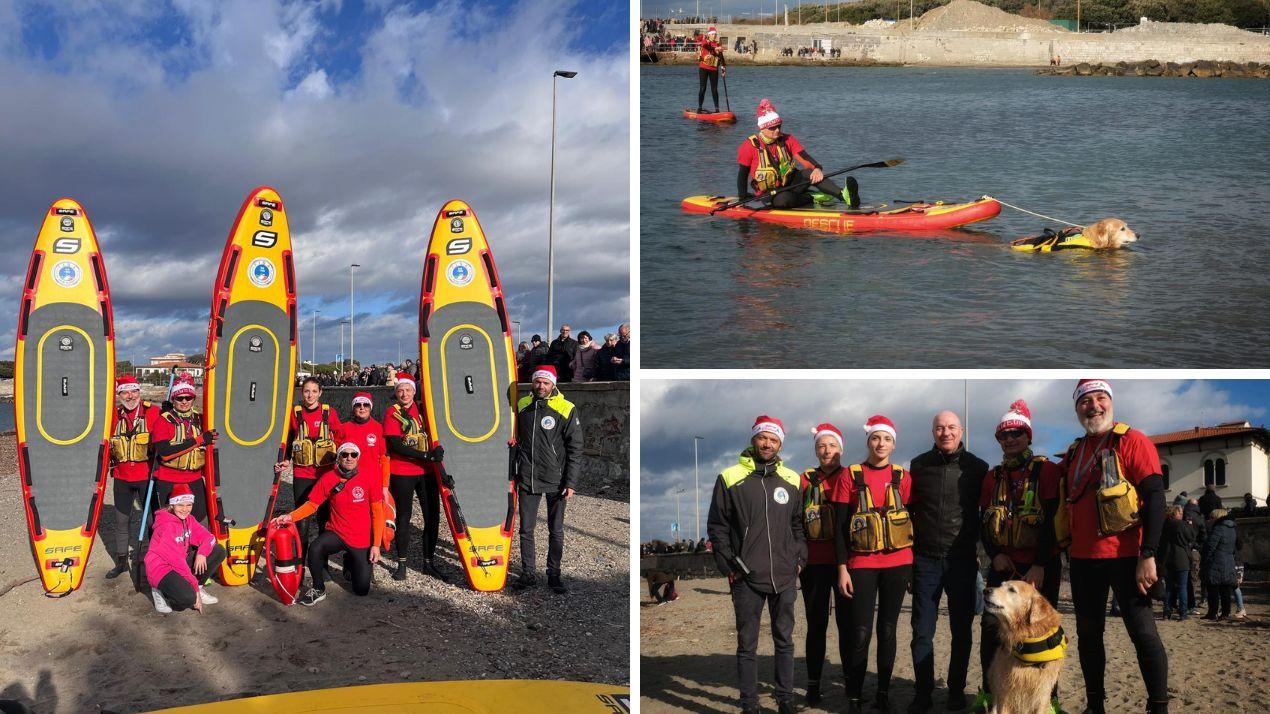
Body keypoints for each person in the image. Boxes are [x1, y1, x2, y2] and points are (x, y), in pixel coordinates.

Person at [1059, 380, 1168, 714]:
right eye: (1085, 401)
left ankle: (1158, 707)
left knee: (1143, 634)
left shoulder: (1132, 440)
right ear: (1077, 409)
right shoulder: (1074, 451)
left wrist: (1148, 554)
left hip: (1126, 556)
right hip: (1083, 560)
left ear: (1111, 401)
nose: (1093, 406)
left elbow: (1155, 497)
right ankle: (1095, 706)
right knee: (1089, 636)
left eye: (1100, 398)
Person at [708, 415, 805, 714]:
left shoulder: (792, 479)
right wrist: (731, 567)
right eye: (763, 437)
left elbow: (798, 525)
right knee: (747, 644)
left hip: (785, 577)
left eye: (774, 440)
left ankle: (785, 700)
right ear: (754, 439)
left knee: (784, 640)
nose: (768, 443)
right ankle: (749, 704)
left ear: (780, 445)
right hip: (746, 577)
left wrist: (799, 559)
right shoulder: (729, 477)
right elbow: (718, 526)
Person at [976, 400, 1063, 713]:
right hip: (1004, 563)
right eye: (1004, 435)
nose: (1010, 439)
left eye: (1016, 433)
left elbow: (1053, 519)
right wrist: (995, 554)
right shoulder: (992, 477)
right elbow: (984, 521)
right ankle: (990, 694)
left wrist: (1040, 564)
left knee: (1044, 633)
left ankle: (1049, 700)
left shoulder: (1047, 471)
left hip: (1041, 564)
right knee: (992, 634)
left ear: (1028, 436)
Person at [906, 410, 988, 712]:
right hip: (925, 560)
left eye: (952, 427)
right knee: (922, 632)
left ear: (961, 430)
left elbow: (984, 516)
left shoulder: (978, 468)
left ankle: (956, 690)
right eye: (940, 428)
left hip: (962, 560)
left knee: (962, 632)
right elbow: (909, 513)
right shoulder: (918, 466)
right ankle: (923, 693)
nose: (946, 433)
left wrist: (979, 555)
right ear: (933, 432)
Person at [831, 415, 914, 714]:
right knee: (861, 632)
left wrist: (913, 570)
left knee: (888, 630)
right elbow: (841, 527)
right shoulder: (850, 476)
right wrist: (842, 568)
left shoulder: (903, 477)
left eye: (887, 439)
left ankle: (883, 693)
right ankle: (854, 696)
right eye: (876, 438)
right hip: (861, 563)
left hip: (898, 563)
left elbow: (912, 521)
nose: (881, 444)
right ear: (868, 441)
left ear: (894, 444)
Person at [273, 442, 384, 605]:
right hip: (337, 532)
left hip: (360, 538)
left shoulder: (369, 477)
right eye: (344, 454)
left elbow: (377, 512)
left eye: (353, 455)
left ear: (358, 458)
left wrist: (376, 545)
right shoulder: (328, 478)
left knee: (361, 590)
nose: (349, 458)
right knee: (315, 548)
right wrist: (290, 517)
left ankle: (351, 560)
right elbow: (312, 505)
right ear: (338, 458)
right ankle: (318, 588)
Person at [512, 365, 582, 594]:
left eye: (546, 382)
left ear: (553, 384)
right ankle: (528, 573)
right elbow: (514, 437)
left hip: (556, 480)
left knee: (556, 530)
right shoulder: (522, 405)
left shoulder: (566, 408)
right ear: (532, 383)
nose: (541, 386)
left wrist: (570, 482)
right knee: (526, 529)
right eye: (537, 381)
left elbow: (575, 448)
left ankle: (554, 574)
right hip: (528, 477)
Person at [799, 423, 848, 706]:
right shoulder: (805, 480)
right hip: (814, 564)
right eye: (821, 446)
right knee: (816, 625)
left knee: (847, 625)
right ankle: (813, 685)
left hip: (845, 565)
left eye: (832, 445)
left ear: (841, 448)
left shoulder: (852, 477)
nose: (827, 451)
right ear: (816, 450)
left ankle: (850, 683)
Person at [736, 98, 859, 210]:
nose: (777, 130)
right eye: (772, 128)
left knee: (809, 173)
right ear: (762, 128)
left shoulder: (787, 139)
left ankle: (844, 196)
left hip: (792, 183)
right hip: (769, 193)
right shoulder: (749, 146)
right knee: (783, 201)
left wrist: (817, 168)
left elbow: (804, 156)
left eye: (779, 126)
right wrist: (742, 198)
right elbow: (742, 175)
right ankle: (811, 197)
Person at [382, 372, 447, 582]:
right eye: (400, 390)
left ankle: (429, 562)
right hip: (402, 472)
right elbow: (395, 444)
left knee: (432, 517)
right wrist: (426, 455)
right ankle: (402, 563)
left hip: (427, 472)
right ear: (396, 393)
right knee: (403, 517)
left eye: (408, 390)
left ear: (414, 390)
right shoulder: (392, 412)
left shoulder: (424, 409)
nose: (404, 394)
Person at [105, 375, 163, 579]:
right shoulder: (112, 416)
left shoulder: (153, 412)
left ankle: (155, 558)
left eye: (133, 391)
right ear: (119, 395)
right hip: (122, 479)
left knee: (152, 521)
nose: (130, 396)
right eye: (125, 392)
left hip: (146, 478)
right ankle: (121, 562)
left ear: (139, 392)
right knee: (121, 521)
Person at [280, 377, 342, 553]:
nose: (310, 395)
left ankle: (322, 560)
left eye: (314, 391)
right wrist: (286, 459)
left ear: (320, 393)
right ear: (302, 392)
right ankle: (300, 559)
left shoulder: (329, 413)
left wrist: (341, 459)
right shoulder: (295, 413)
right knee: (302, 518)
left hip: (325, 473)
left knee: (324, 517)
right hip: (302, 472)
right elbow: (289, 438)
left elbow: (340, 436)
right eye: (307, 391)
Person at [144, 483, 225, 614]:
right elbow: (177, 562)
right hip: (161, 569)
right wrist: (194, 589)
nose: (185, 509)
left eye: (189, 505)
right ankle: (158, 590)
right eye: (180, 505)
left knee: (218, 551)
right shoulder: (166, 527)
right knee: (188, 599)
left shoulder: (189, 520)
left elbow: (209, 538)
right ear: (172, 505)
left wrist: (202, 554)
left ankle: (198, 587)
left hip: (179, 561)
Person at [150, 374, 215, 523]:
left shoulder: (201, 419)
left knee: (200, 520)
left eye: (188, 397)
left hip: (195, 479)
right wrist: (199, 440)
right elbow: (165, 453)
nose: (184, 401)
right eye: (179, 398)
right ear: (173, 399)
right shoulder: (163, 421)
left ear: (193, 398)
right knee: (172, 522)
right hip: (169, 480)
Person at [1201, 508, 1240, 621]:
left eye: (1212, 517)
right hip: (1228, 560)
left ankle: (1212, 613)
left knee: (1213, 587)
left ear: (1217, 517)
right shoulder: (1232, 528)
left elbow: (1210, 546)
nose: (1210, 520)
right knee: (1225, 588)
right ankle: (1225, 613)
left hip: (1216, 561)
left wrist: (1205, 559)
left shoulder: (1218, 528)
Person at [1159, 505, 1196, 620]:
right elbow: (1190, 537)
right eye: (1180, 513)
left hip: (1167, 558)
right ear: (1175, 513)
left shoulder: (1164, 525)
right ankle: (1183, 613)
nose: (1182, 515)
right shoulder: (1181, 524)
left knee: (1169, 587)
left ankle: (1167, 612)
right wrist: (1190, 525)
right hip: (1181, 558)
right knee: (1182, 587)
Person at [696, 26, 725, 114]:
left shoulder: (718, 43)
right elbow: (706, 46)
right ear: (709, 35)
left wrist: (723, 68)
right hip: (703, 68)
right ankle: (699, 107)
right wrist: (715, 48)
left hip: (713, 69)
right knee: (703, 88)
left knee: (714, 89)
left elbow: (721, 57)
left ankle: (717, 109)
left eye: (715, 34)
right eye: (712, 34)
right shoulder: (705, 41)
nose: (714, 36)